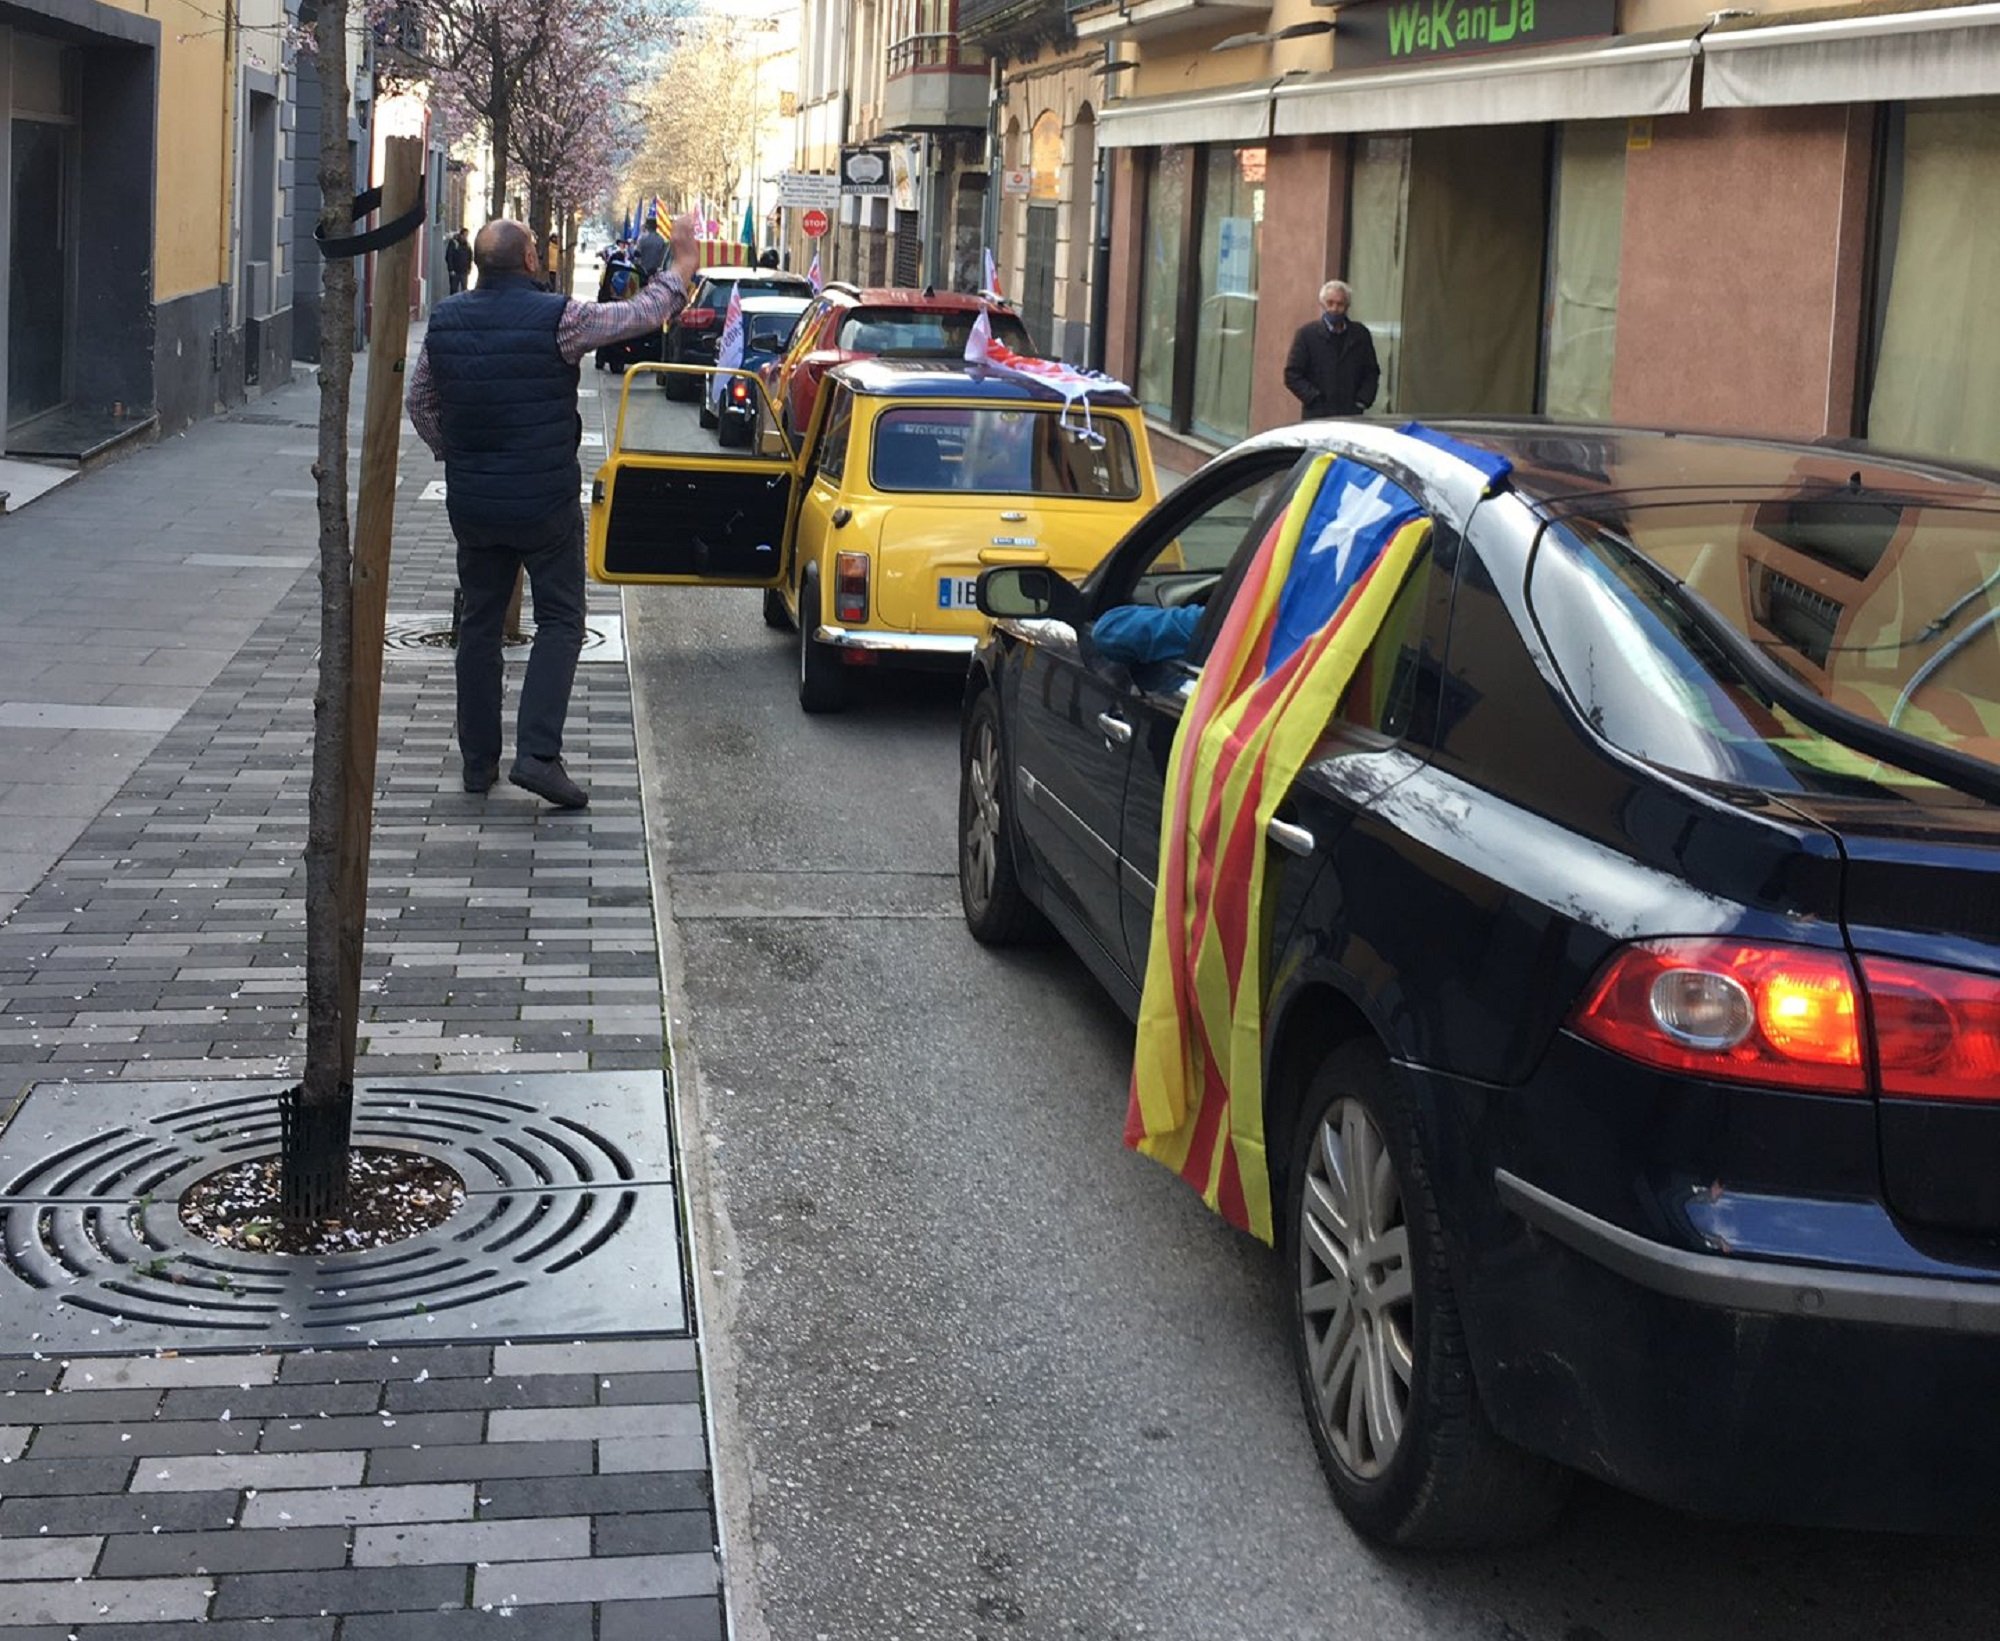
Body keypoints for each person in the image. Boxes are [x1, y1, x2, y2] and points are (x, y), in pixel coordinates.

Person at [406, 214, 700, 809]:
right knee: (562, 620)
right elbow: (636, 317)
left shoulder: (445, 319)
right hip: (544, 504)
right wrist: (679, 273)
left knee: (479, 627)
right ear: (530, 261)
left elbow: (420, 404)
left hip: (475, 505)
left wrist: (454, 453)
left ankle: (476, 762)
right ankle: (538, 756)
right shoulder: (560, 318)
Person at [1284, 280, 1380, 420]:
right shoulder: (1307, 335)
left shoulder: (1360, 334)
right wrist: (1314, 398)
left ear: (1347, 306)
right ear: (1322, 304)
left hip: (1351, 414)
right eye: (1330, 303)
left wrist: (1362, 401)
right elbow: (1292, 374)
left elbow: (1371, 372)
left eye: (1340, 304)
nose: (1335, 309)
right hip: (1317, 416)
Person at [633, 215, 669, 280]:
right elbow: (663, 257)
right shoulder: (661, 240)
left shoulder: (642, 239)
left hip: (643, 273)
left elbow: (636, 254)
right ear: (656, 227)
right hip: (656, 274)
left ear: (647, 227)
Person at [443, 228, 471, 295]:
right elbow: (449, 256)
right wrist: (451, 269)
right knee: (454, 289)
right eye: (465, 235)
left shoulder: (467, 245)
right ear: (461, 235)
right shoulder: (454, 243)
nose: (466, 237)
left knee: (464, 290)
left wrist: (469, 268)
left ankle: (463, 304)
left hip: (464, 271)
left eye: (467, 235)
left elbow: (470, 256)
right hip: (455, 272)